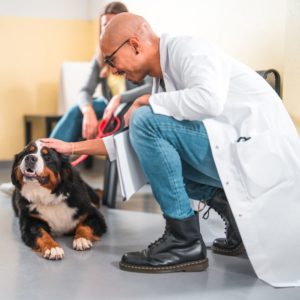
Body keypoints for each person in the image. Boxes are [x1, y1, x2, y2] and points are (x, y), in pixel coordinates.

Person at [42, 13, 300, 286]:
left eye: (111, 60)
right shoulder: (161, 80)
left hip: (261, 154)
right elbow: (129, 143)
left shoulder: (188, 49)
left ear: (135, 45)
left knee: (144, 122)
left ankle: (183, 241)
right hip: (235, 151)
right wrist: (69, 147)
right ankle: (231, 214)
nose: (113, 71)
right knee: (150, 141)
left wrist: (147, 100)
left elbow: (209, 101)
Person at [50, 2, 152, 142]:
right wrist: (88, 111)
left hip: (131, 104)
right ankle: (47, 153)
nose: (108, 28)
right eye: (105, 25)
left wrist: (119, 98)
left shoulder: (138, 51)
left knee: (124, 115)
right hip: (108, 105)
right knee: (77, 111)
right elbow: (84, 91)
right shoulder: (99, 60)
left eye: (113, 23)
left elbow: (151, 87)